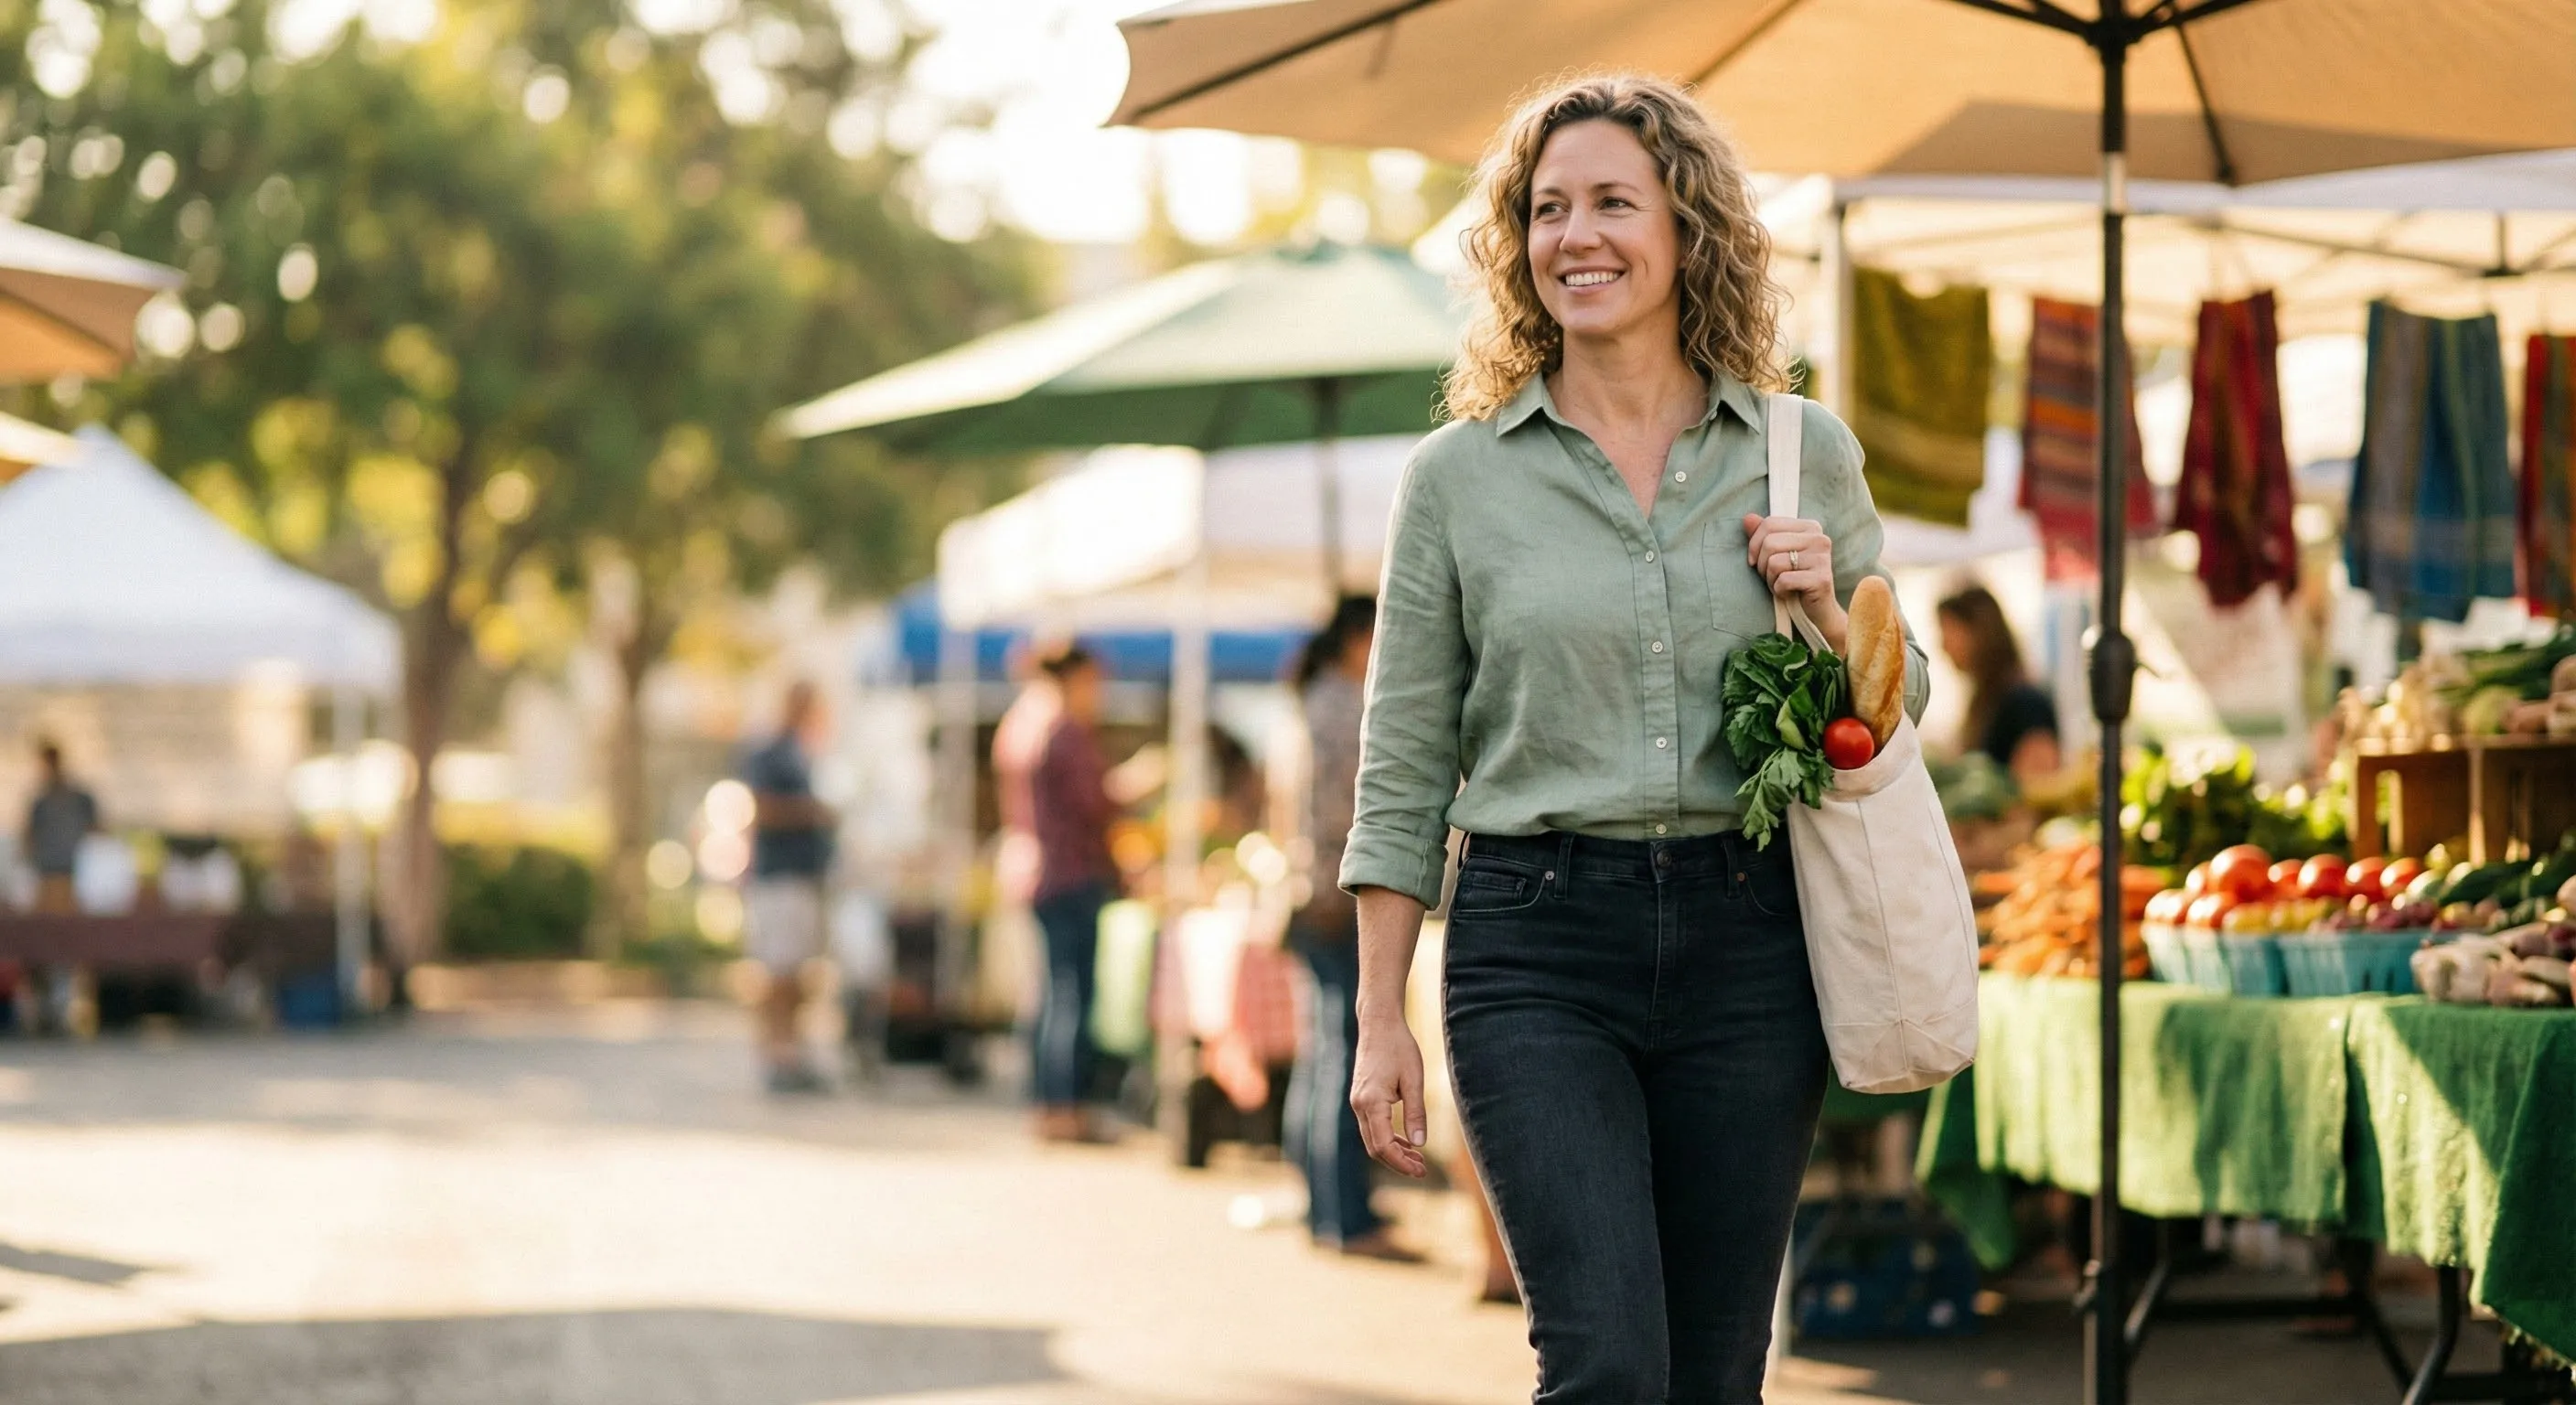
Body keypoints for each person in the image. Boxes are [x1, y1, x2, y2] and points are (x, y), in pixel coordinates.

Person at [1340, 75, 1928, 1402]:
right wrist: (1380, 1020)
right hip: (1535, 948)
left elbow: (1898, 706)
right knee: (1607, 1361)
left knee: (1716, 1377)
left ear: (1688, 229)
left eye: (1614, 201)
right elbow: (1403, 766)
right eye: (1547, 210)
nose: (1577, 236)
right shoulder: (1458, 478)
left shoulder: (1798, 451)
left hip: (1750, 945)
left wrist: (1830, 608)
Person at [1281, 595, 1423, 1263]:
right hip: (1339, 897)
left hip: (1306, 892)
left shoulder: (1312, 701)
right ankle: (1345, 1216)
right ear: (1358, 638)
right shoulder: (1346, 709)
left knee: (1323, 1054)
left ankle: (1324, 1206)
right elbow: (1362, 816)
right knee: (1345, 1053)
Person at [994, 643, 1121, 1144]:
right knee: (1071, 995)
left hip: (1034, 870)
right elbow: (1094, 803)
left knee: (1049, 995)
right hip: (1068, 872)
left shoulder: (1020, 721)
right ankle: (1066, 1107)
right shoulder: (1061, 727)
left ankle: (1048, 1104)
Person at [738, 681, 837, 1094]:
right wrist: (813, 811)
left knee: (798, 973)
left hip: (803, 875)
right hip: (778, 877)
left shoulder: (804, 753)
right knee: (777, 971)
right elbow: (760, 807)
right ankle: (775, 1054)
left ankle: (792, 1051)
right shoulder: (767, 751)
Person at [1935, 583, 2062, 789]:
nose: (1943, 646)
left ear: (1977, 632)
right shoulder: (1986, 700)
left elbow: (2040, 789)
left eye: (1948, 631)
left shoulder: (2026, 703)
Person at [25, 740, 100, 915]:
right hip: (48, 871)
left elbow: (95, 828)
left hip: (73, 870)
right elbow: (29, 835)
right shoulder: (41, 801)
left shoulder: (79, 798)